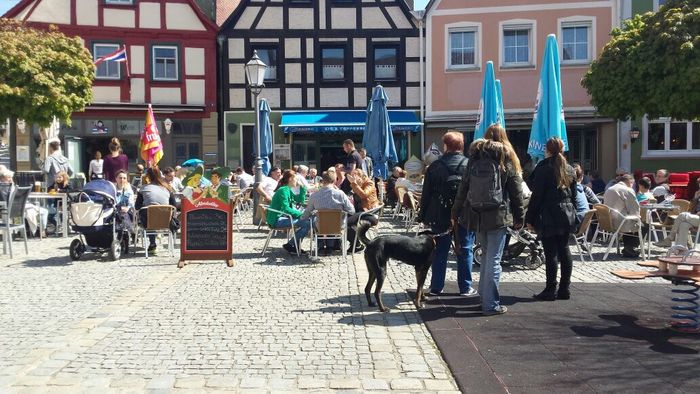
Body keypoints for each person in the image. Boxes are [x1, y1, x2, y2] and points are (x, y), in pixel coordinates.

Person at [453, 138, 524, 315]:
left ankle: (484, 298)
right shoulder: (504, 162)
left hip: (476, 215)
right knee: (493, 260)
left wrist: (455, 211)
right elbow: (516, 193)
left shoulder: (473, 162)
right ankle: (490, 304)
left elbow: (463, 189)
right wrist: (519, 216)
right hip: (498, 216)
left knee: (485, 258)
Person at [416, 130, 475, 297]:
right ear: (462, 146)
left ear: (445, 146)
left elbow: (426, 194)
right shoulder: (469, 165)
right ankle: (465, 287)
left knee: (439, 251)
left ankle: (436, 287)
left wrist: (422, 216)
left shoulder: (434, 167)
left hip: (439, 215)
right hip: (464, 214)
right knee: (465, 249)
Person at [526, 138, 581, 301]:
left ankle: (550, 289)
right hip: (567, 212)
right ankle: (564, 289)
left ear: (546, 150)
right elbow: (574, 195)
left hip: (549, 213)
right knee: (564, 250)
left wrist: (529, 217)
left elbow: (536, 196)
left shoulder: (543, 169)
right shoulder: (570, 169)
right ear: (563, 149)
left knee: (551, 252)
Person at [301, 170, 355, 255]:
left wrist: (302, 217)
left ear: (322, 181)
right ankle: (330, 247)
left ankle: (321, 247)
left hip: (321, 226)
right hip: (337, 226)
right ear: (334, 181)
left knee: (315, 220)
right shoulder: (340, 194)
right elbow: (352, 210)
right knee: (332, 222)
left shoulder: (314, 195)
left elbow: (307, 213)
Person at [267, 170, 311, 255]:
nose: (297, 181)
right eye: (296, 179)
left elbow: (299, 200)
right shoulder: (283, 190)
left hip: (282, 217)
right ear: (290, 179)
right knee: (307, 223)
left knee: (306, 222)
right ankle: (291, 245)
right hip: (276, 220)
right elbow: (286, 208)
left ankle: (294, 246)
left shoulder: (287, 189)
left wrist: (302, 188)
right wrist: (302, 215)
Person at [135, 166, 176, 256]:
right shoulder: (168, 188)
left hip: (149, 221)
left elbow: (137, 206)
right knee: (150, 213)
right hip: (165, 221)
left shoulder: (143, 188)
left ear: (148, 176)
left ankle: (152, 244)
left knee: (146, 212)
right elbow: (174, 205)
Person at [0, 167, 48, 237]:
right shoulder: (5, 187)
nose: (11, 179)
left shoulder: (9, 187)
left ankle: (38, 231)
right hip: (15, 210)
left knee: (40, 211)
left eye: (11, 177)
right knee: (42, 211)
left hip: (12, 210)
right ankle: (40, 231)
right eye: (8, 178)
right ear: (2, 178)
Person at [603, 174, 644, 257]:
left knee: (629, 220)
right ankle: (630, 248)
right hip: (620, 222)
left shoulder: (609, 189)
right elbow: (634, 210)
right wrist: (639, 219)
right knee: (643, 225)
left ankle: (628, 247)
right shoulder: (628, 190)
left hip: (608, 221)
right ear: (630, 182)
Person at [655, 178, 700, 248]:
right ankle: (681, 250)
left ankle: (669, 239)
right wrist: (695, 198)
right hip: (695, 218)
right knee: (683, 225)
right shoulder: (698, 194)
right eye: (699, 184)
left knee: (682, 215)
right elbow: (690, 208)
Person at [345, 168, 381, 253]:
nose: (353, 178)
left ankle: (357, 245)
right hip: (360, 212)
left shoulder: (369, 183)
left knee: (345, 223)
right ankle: (353, 244)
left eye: (354, 176)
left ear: (360, 176)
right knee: (340, 220)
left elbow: (364, 195)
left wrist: (354, 183)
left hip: (369, 213)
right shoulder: (358, 185)